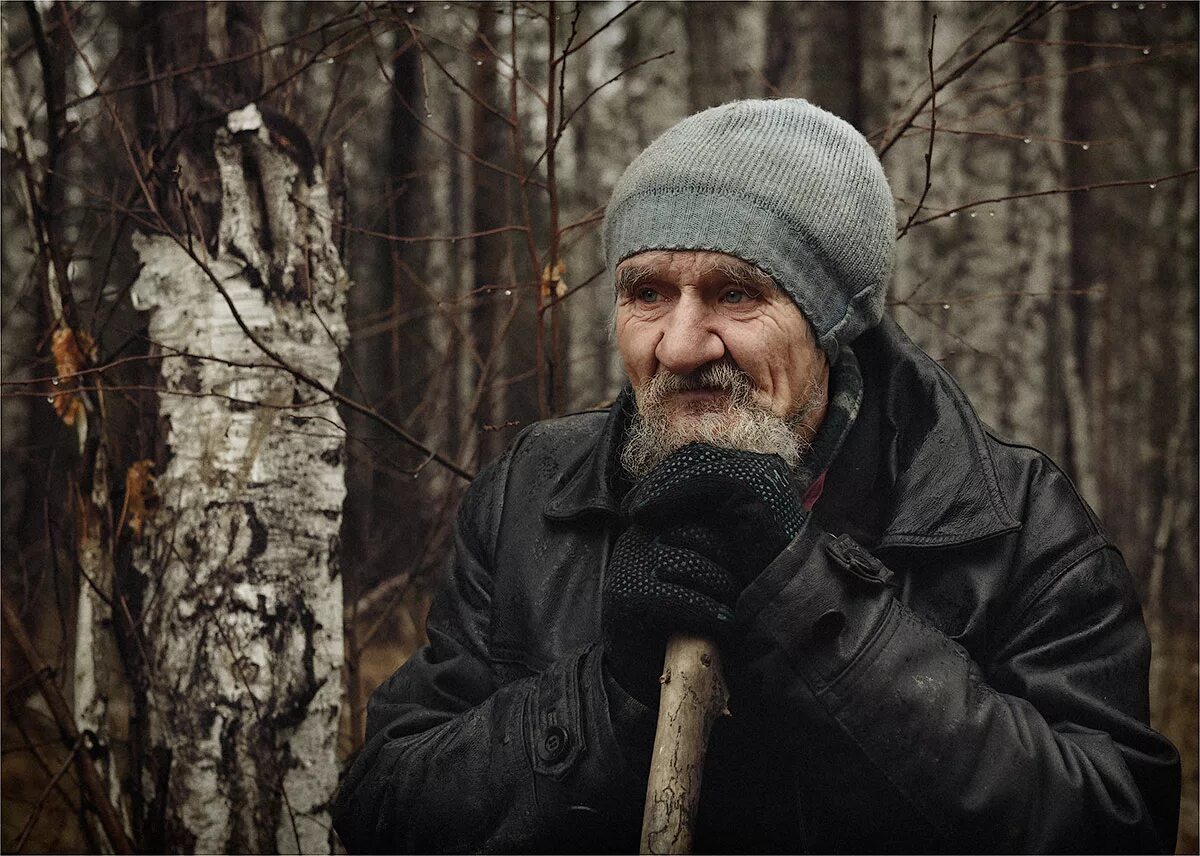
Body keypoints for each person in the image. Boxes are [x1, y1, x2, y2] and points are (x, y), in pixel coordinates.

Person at [332, 99, 1180, 853]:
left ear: (833, 318)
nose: (680, 345)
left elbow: (1112, 824)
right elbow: (384, 810)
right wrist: (610, 694)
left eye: (737, 294)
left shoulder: (1004, 519)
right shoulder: (533, 495)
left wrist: (806, 602)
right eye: (648, 293)